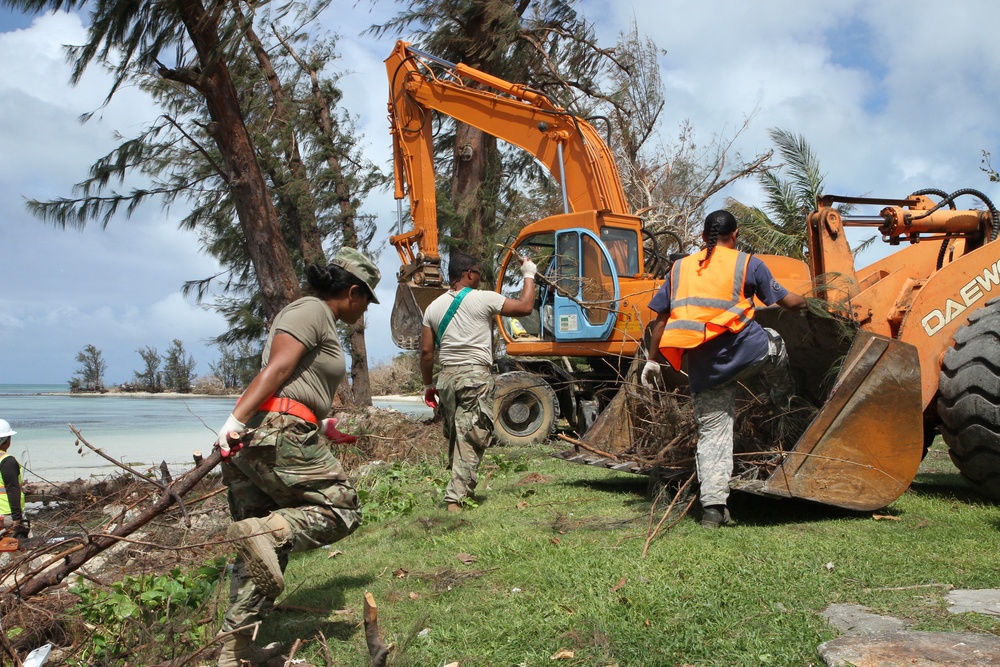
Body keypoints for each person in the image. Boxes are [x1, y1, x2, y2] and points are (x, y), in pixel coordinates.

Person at [214, 247, 380, 667]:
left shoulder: (316, 317)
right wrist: (234, 420)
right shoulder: (310, 311)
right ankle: (266, 532)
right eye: (366, 300)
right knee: (340, 511)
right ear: (353, 291)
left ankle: (234, 653)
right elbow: (278, 369)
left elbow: (296, 386)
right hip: (274, 433)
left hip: (273, 431)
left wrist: (323, 425)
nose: (363, 311)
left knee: (265, 552)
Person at [641, 210, 807, 529]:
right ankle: (784, 403)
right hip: (747, 352)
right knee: (775, 342)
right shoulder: (747, 263)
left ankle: (714, 510)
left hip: (706, 368)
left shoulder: (679, 268)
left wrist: (652, 359)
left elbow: (661, 319)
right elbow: (786, 301)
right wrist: (810, 303)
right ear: (736, 234)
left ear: (703, 237)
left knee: (713, 435)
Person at [420, 251, 537, 512]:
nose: (480, 279)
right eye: (479, 274)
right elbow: (525, 306)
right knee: (471, 436)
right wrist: (528, 272)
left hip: (447, 377)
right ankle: (455, 501)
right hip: (474, 376)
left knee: (457, 436)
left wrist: (428, 385)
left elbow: (427, 353)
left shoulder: (433, 308)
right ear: (469, 274)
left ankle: (456, 489)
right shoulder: (484, 299)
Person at [0, 419, 28, 539]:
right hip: (7, 514)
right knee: (24, 550)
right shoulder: (7, 461)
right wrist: (17, 518)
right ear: (5, 440)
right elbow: (12, 489)